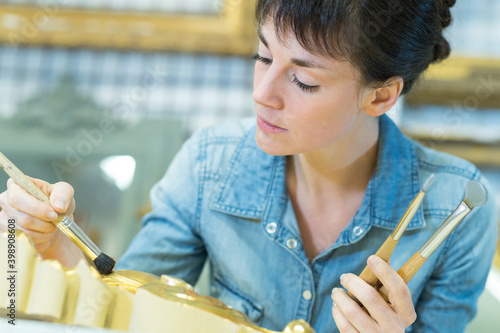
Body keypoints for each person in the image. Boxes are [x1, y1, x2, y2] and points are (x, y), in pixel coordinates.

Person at [0, 0, 498, 332]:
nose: (262, 94)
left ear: (382, 94)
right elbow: (126, 306)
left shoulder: (455, 208)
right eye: (263, 57)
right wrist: (53, 248)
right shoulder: (209, 164)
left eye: (303, 81)